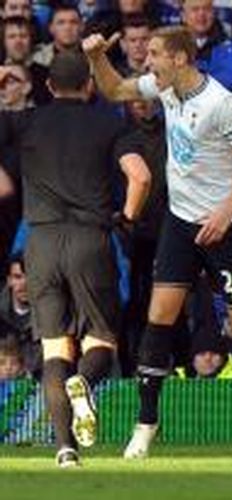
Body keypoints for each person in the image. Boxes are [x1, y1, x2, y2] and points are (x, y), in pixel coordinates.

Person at [82, 26, 232, 460]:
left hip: (226, 226)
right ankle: (146, 424)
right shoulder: (164, 87)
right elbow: (116, 88)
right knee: (159, 318)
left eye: (154, 53)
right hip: (181, 223)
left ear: (179, 57)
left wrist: (226, 211)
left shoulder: (222, 103)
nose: (146, 60)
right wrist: (97, 57)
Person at [0, 50, 151, 467]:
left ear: (48, 87)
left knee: (54, 349)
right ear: (89, 85)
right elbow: (140, 175)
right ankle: (83, 381)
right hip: (91, 239)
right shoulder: (109, 122)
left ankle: (66, 449)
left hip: (41, 245)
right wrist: (128, 217)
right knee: (101, 339)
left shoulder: (26, 121)